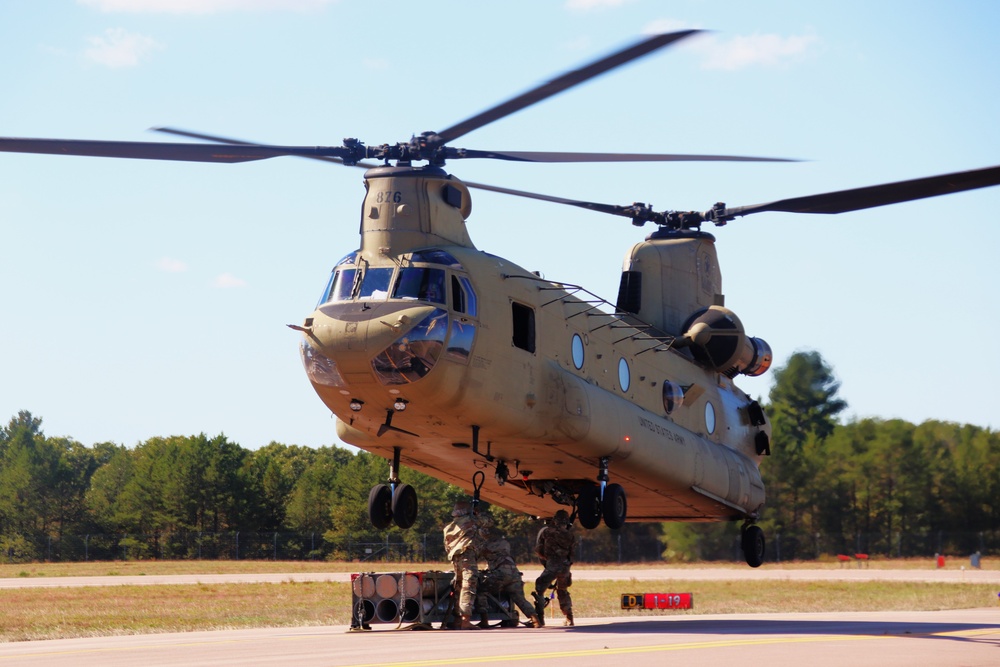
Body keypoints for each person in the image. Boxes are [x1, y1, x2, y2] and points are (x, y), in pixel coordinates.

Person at [476, 535, 541, 628]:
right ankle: (535, 620)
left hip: (501, 576)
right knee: (520, 599)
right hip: (515, 576)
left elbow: (477, 555)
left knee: (481, 591)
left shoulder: (487, 548)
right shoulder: (505, 551)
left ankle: (484, 620)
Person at [442, 499, 486, 630]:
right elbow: (487, 522)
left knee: (459, 586)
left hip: (456, 558)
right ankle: (465, 620)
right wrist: (477, 514)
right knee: (469, 584)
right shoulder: (470, 521)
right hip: (467, 555)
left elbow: (447, 546)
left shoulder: (448, 527)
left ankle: (457, 619)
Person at [533, 509, 576, 626]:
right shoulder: (570, 535)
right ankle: (569, 618)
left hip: (552, 566)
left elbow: (539, 550)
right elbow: (571, 555)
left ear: (555, 520)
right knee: (563, 591)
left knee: (540, 590)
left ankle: (540, 618)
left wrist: (547, 561)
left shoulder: (546, 532)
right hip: (565, 568)